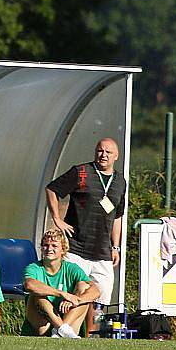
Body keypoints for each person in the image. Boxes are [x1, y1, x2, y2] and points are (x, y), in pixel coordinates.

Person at [45, 137, 126, 334]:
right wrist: (57, 218)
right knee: (76, 291)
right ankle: (62, 329)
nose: (103, 155)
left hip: (103, 251)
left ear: (116, 156)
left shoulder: (120, 182)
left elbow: (118, 216)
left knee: (99, 298)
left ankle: (92, 335)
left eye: (108, 152)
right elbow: (52, 189)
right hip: (76, 247)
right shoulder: (81, 172)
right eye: (100, 150)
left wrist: (116, 246)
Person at [22, 228, 100, 338]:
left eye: (54, 246)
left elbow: (96, 291)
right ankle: (61, 329)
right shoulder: (34, 268)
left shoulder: (71, 268)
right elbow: (29, 285)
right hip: (42, 324)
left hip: (69, 320)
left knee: (83, 287)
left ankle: (60, 330)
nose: (49, 249)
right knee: (38, 294)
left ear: (63, 250)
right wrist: (63, 294)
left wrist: (75, 300)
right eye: (46, 245)